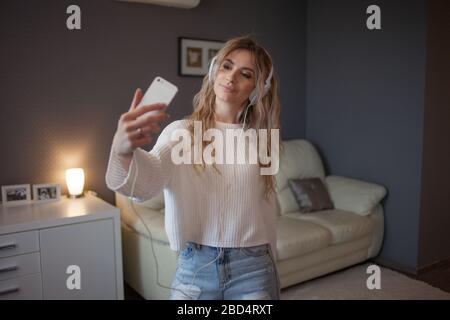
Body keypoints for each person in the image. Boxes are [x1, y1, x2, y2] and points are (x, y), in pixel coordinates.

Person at [106, 36, 281, 300]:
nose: (231, 77)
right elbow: (142, 187)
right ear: (213, 71)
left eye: (245, 74)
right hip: (196, 267)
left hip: (254, 267)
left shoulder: (264, 140)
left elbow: (266, 210)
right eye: (226, 66)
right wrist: (122, 151)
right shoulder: (181, 133)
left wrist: (273, 264)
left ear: (258, 90)